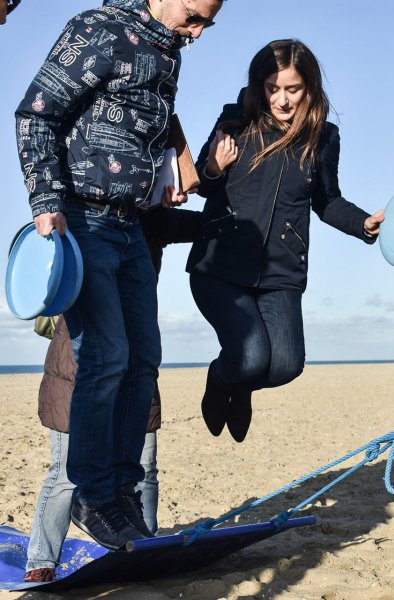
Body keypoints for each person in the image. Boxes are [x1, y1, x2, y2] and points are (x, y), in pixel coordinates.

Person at [14, 0, 223, 550]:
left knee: (143, 359)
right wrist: (44, 199)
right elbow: (36, 112)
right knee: (103, 355)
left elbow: (152, 141)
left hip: (134, 226)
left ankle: (122, 491)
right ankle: (91, 492)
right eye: (195, 15)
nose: (198, 31)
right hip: (82, 219)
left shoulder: (170, 51)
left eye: (208, 22)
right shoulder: (98, 28)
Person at [187, 39, 384, 443]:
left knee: (286, 366)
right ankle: (223, 377)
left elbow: (326, 201)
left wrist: (362, 223)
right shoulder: (235, 120)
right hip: (220, 265)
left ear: (309, 87)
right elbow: (202, 185)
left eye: (292, 89)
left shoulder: (324, 137)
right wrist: (211, 166)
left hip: (281, 272)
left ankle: (241, 384)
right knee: (250, 355)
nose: (282, 99)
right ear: (259, 85)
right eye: (272, 88)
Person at [23, 207, 200, 583]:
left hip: (135, 365)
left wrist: (217, 179)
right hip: (77, 364)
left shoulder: (148, 219)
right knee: (67, 473)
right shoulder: (85, 213)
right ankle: (41, 558)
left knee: (143, 468)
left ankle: (141, 544)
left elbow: (200, 222)